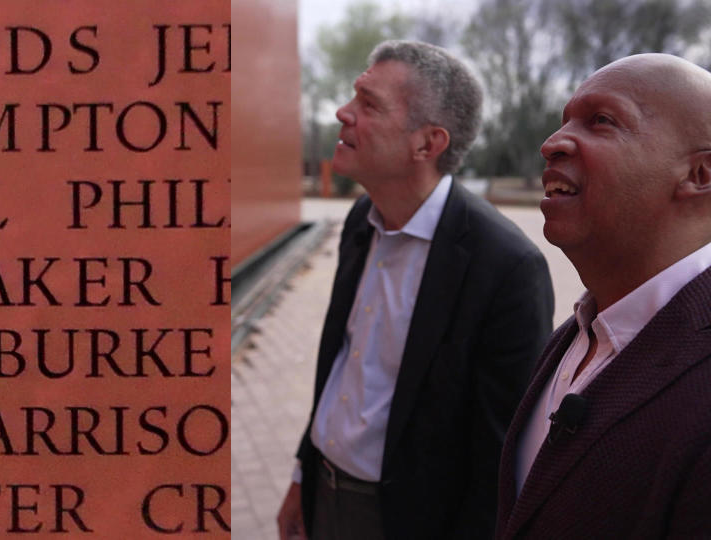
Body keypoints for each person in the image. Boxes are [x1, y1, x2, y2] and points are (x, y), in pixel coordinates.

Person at [276, 40, 554, 540]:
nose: (343, 112)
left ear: (427, 144)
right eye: (353, 96)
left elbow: (496, 456)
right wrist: (302, 475)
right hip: (323, 489)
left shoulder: (507, 268)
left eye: (369, 104)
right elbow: (341, 367)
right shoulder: (362, 218)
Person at [495, 53, 711, 539]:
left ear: (700, 175)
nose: (552, 143)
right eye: (564, 121)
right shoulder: (573, 338)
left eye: (601, 121)